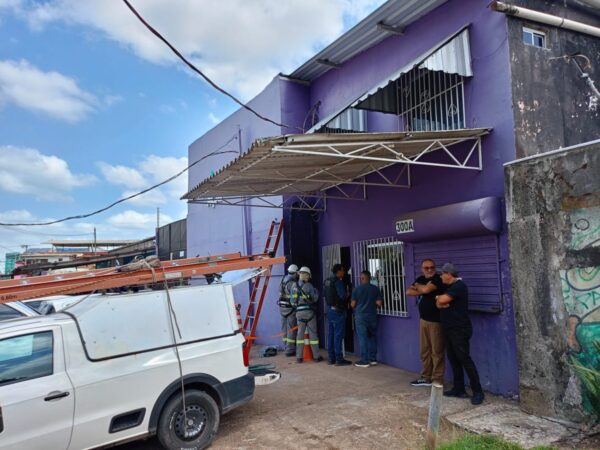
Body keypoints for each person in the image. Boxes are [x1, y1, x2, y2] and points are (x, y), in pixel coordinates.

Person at [435, 262, 485, 406]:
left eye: (442, 274)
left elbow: (441, 300)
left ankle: (478, 392)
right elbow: (439, 304)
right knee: (453, 359)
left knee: (464, 359)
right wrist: (440, 301)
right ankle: (458, 388)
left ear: (448, 274)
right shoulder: (449, 287)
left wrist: (440, 299)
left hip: (459, 329)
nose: (440, 276)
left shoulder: (459, 286)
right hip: (449, 329)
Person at [405, 259, 445, 387]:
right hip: (423, 320)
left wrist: (419, 287)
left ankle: (437, 379)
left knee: (437, 352)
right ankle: (426, 377)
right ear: (422, 269)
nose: (429, 269)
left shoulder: (438, 279)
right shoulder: (421, 278)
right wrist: (422, 289)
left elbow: (427, 290)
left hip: (436, 321)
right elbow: (408, 291)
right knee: (425, 351)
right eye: (426, 268)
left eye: (432, 267)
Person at [351, 270, 383, 367]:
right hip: (372, 316)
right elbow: (379, 303)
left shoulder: (357, 289)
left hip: (361, 317)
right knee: (372, 337)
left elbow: (352, 305)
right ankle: (373, 359)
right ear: (370, 278)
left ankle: (364, 361)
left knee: (363, 338)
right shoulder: (375, 289)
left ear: (362, 278)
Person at [291, 266, 322, 363]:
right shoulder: (309, 286)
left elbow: (292, 302)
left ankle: (299, 357)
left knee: (299, 335)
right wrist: (316, 292)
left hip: (299, 314)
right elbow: (315, 299)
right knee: (313, 335)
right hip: (309, 313)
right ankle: (316, 356)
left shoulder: (294, 286)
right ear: (307, 275)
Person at [324, 264, 352, 366]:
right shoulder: (338, 282)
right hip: (338, 311)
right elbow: (343, 296)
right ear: (338, 271)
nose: (344, 272)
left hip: (330, 310)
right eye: (342, 270)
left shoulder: (327, 280)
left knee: (331, 335)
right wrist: (348, 293)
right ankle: (339, 359)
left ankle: (331, 358)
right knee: (338, 336)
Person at [278, 264, 299, 357]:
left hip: (281, 307)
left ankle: (286, 346)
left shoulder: (283, 279)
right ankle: (290, 350)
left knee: (284, 328)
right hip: (289, 308)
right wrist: (296, 306)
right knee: (291, 329)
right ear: (295, 273)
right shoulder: (292, 283)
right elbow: (294, 298)